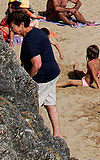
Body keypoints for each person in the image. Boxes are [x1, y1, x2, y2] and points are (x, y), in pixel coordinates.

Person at [7, 9, 61, 137]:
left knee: (32, 107)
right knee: (50, 104)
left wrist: (27, 79)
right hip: (53, 73)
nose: (12, 30)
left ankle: (35, 134)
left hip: (43, 78)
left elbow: (37, 64)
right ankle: (57, 134)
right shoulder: (37, 32)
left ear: (21, 24)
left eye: (13, 27)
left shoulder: (30, 41)